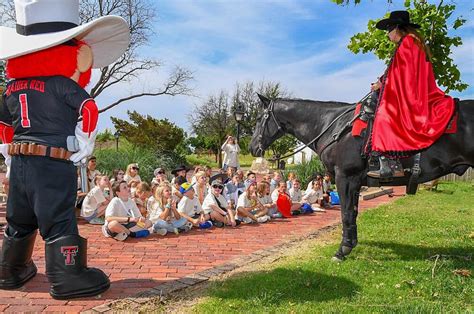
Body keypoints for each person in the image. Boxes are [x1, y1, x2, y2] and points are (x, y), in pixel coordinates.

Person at [0, 0, 129, 298]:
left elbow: (3, 121)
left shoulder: (12, 87)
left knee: (19, 219)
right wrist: (85, 141)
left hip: (19, 164)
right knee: (58, 218)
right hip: (52, 161)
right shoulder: (60, 83)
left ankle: (10, 269)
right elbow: (89, 107)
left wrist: (7, 149)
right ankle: (67, 276)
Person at [367, 10, 455, 178]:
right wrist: (382, 81)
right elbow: (399, 72)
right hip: (412, 90)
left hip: (412, 95)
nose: (387, 34)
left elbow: (402, 75)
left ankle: (392, 165)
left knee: (384, 115)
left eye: (389, 30)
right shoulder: (411, 42)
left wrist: (382, 83)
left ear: (397, 28)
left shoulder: (408, 43)